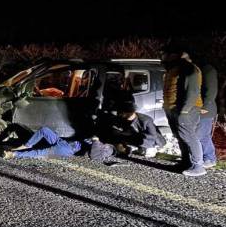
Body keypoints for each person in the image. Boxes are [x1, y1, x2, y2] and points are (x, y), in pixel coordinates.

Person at [161, 44, 206, 176]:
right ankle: (186, 162)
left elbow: (193, 91)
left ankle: (198, 166)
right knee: (180, 136)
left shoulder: (189, 68)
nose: (163, 57)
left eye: (165, 54)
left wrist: (185, 110)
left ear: (175, 55)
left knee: (189, 136)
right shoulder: (172, 69)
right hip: (172, 108)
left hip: (185, 110)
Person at [91, 101, 166, 162]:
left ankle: (140, 148)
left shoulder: (146, 120)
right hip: (133, 138)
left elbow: (152, 136)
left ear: (127, 113)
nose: (119, 114)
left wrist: (130, 137)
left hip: (150, 141)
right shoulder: (123, 119)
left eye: (121, 113)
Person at [193, 56, 218, 169]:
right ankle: (207, 157)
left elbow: (211, 89)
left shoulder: (208, 70)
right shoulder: (200, 69)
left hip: (205, 110)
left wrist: (205, 106)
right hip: (200, 108)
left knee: (200, 135)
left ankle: (209, 158)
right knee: (202, 135)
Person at [3, 126, 82, 159]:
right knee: (44, 130)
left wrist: (95, 140)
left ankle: (13, 154)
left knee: (40, 153)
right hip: (64, 141)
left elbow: (94, 155)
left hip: (69, 148)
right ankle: (28, 145)